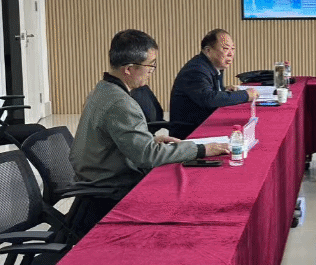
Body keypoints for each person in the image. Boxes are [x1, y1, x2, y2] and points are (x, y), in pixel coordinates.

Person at [70, 29, 228, 235]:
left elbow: (115, 138)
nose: (152, 70)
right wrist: (201, 149)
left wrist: (151, 139)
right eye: (150, 65)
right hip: (111, 188)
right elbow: (148, 156)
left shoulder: (102, 89)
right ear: (128, 69)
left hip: (95, 178)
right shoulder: (121, 103)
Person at [168, 29, 257, 139]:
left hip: (203, 122)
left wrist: (224, 90)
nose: (231, 54)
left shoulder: (212, 66)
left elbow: (210, 93)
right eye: (225, 49)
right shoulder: (196, 70)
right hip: (190, 132)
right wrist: (245, 95)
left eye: (233, 49)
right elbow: (209, 98)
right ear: (208, 51)